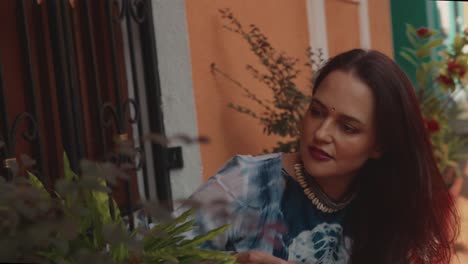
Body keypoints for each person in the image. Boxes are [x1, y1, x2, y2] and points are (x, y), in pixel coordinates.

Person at [182, 49, 459, 263]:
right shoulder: (244, 186)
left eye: (348, 127)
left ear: (379, 146)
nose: (321, 133)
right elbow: (146, 255)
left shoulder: (387, 205)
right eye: (317, 111)